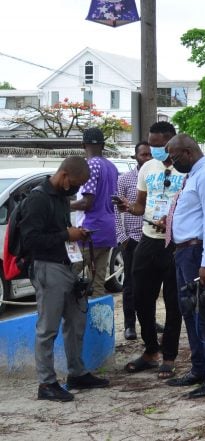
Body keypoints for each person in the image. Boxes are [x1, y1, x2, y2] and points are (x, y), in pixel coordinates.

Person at [20, 157, 110, 402]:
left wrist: (76, 235)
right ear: (64, 176)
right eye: (76, 183)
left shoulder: (61, 197)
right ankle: (46, 383)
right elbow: (31, 241)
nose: (76, 189)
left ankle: (77, 373)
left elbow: (59, 233)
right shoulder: (38, 199)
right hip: (47, 268)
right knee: (47, 328)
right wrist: (65, 234)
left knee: (75, 320)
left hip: (66, 266)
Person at [115, 121, 185, 379]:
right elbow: (141, 205)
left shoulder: (185, 169)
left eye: (158, 145)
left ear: (172, 142)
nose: (153, 149)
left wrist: (173, 221)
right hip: (148, 239)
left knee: (173, 301)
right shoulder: (148, 167)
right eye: (151, 144)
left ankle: (169, 356)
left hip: (175, 243)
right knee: (141, 297)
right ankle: (150, 350)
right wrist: (127, 207)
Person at [165, 134, 205, 398]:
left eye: (174, 157)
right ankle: (199, 369)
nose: (172, 162)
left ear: (188, 152)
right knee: (191, 313)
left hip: (199, 253)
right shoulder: (193, 174)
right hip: (185, 252)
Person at [69, 127, 118, 297]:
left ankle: (70, 319)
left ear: (83, 145)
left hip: (89, 231)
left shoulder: (90, 165)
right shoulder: (111, 167)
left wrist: (65, 205)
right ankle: (98, 321)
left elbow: (87, 202)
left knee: (67, 275)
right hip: (108, 230)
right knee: (98, 284)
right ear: (103, 145)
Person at [115, 141, 152, 340]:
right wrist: (123, 238)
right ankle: (130, 325)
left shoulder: (157, 178)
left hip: (153, 237)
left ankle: (150, 321)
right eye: (143, 155)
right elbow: (116, 209)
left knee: (150, 284)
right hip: (133, 239)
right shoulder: (125, 180)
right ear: (136, 157)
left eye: (149, 155)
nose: (146, 158)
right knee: (130, 284)